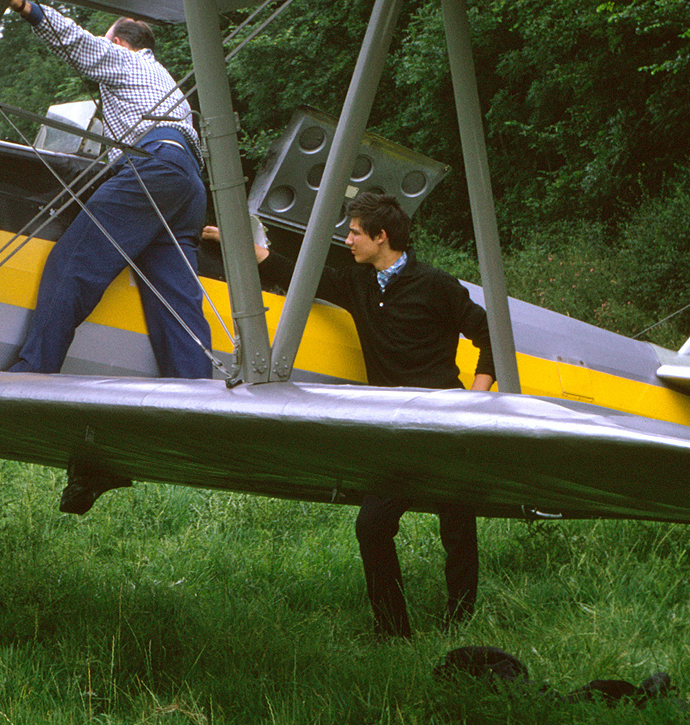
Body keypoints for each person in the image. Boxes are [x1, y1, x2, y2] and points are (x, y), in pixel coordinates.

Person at [206, 189, 495, 636]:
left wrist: (474, 400)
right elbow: (297, 274)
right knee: (372, 525)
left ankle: (461, 623)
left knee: (457, 524)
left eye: (355, 232)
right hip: (391, 424)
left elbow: (489, 335)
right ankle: (392, 629)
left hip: (444, 417)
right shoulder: (357, 283)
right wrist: (238, 244)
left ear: (381, 237)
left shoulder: (437, 286)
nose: (348, 239)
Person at [2, 0, 213, 513]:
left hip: (154, 167)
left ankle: (31, 376)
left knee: (74, 263)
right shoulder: (166, 87)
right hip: (187, 182)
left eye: (110, 40)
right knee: (174, 299)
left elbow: (78, 45)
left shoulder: (127, 60)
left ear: (120, 42)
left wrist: (28, 8)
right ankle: (199, 402)